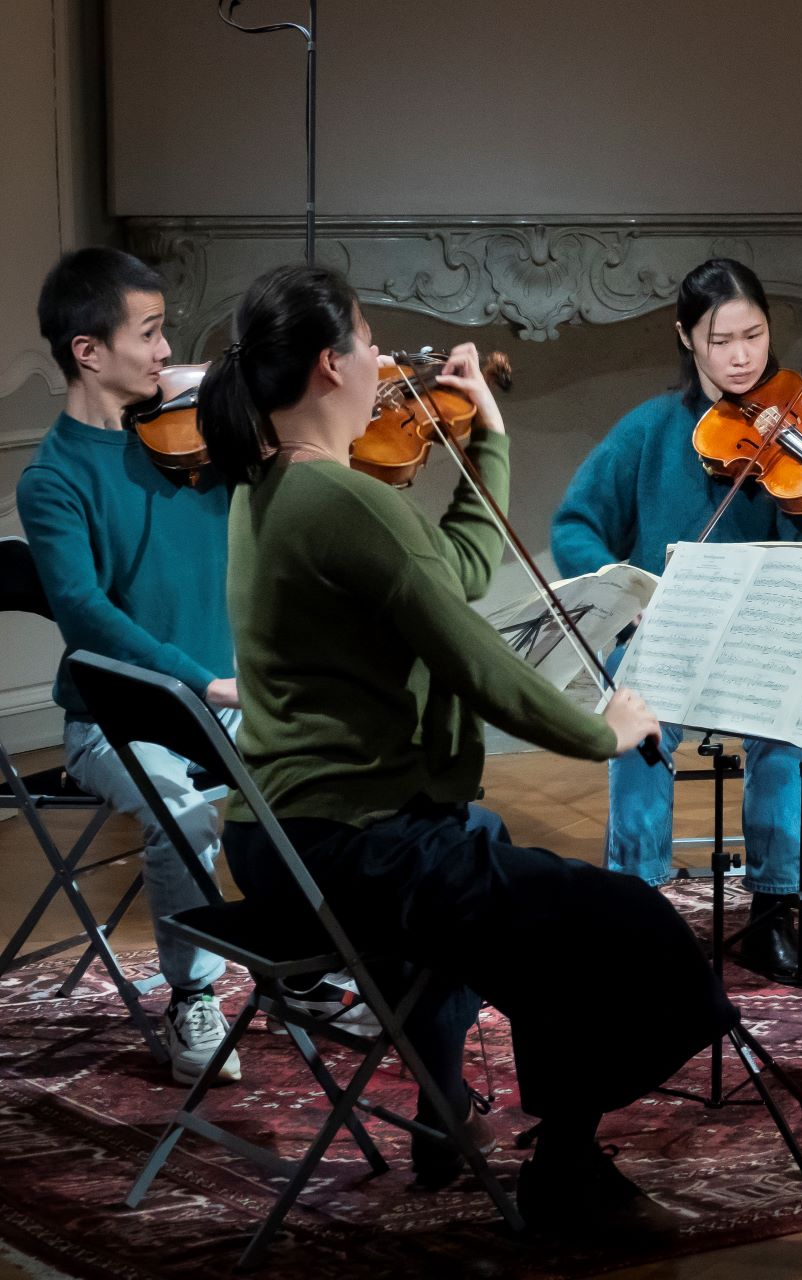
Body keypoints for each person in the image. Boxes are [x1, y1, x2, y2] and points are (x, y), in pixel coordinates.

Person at [200, 263, 735, 1230]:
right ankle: (565, 1172)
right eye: (369, 344)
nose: (382, 364)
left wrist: (486, 436)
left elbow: (448, 567)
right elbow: (477, 662)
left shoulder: (265, 486)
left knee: (498, 869)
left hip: (279, 836)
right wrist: (600, 731)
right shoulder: (347, 503)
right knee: (622, 926)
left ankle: (447, 1121)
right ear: (330, 364)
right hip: (354, 847)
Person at [17, 248, 356, 1087]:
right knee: (185, 810)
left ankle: (304, 971)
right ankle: (192, 998)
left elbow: (286, 439)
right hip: (119, 715)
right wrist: (198, 681)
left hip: (230, 694)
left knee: (336, 776)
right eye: (152, 332)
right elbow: (84, 614)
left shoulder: (197, 434)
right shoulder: (52, 480)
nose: (168, 351)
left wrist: (233, 386)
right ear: (88, 352)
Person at [552, 257, 802, 982]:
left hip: (757, 638)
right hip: (663, 637)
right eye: (722, 339)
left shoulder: (796, 436)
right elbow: (575, 526)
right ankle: (638, 907)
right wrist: (623, 594)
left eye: (753, 335)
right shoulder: (648, 431)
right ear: (687, 338)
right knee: (639, 724)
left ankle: (773, 910)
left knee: (785, 728)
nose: (741, 355)